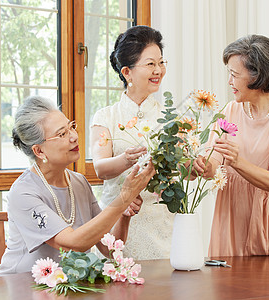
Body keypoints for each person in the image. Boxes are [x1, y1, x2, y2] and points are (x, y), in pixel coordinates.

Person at [0, 95, 154, 276]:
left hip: (68, 287)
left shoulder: (78, 182)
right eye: (62, 134)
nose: (74, 137)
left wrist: (125, 213)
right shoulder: (23, 193)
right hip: (22, 288)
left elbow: (108, 247)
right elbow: (72, 242)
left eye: (71, 127)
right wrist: (123, 197)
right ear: (39, 151)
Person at [192, 34, 269, 256]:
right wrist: (200, 165)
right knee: (226, 287)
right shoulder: (230, 110)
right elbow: (213, 163)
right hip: (231, 214)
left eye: (234, 75)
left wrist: (237, 161)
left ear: (257, 76)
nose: (229, 82)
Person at [90, 25, 174, 260]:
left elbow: (182, 173)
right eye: (150, 64)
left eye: (161, 62)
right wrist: (127, 159)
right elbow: (101, 169)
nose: (158, 70)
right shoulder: (105, 117)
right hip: (118, 220)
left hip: (162, 224)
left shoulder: (170, 118)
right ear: (127, 72)